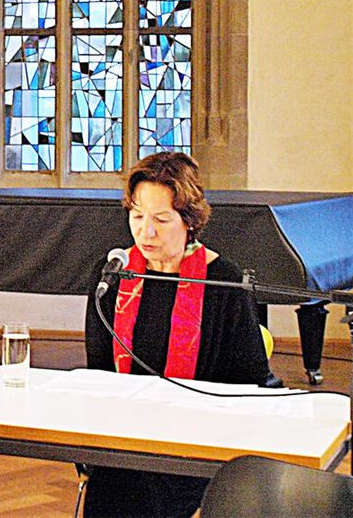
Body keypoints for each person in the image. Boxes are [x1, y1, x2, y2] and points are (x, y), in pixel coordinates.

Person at [83, 151, 276, 518]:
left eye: (161, 219)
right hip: (123, 441)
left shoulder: (224, 280)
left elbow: (248, 380)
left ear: (189, 220)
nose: (146, 231)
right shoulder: (113, 274)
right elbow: (99, 372)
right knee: (114, 485)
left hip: (196, 444)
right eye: (137, 216)